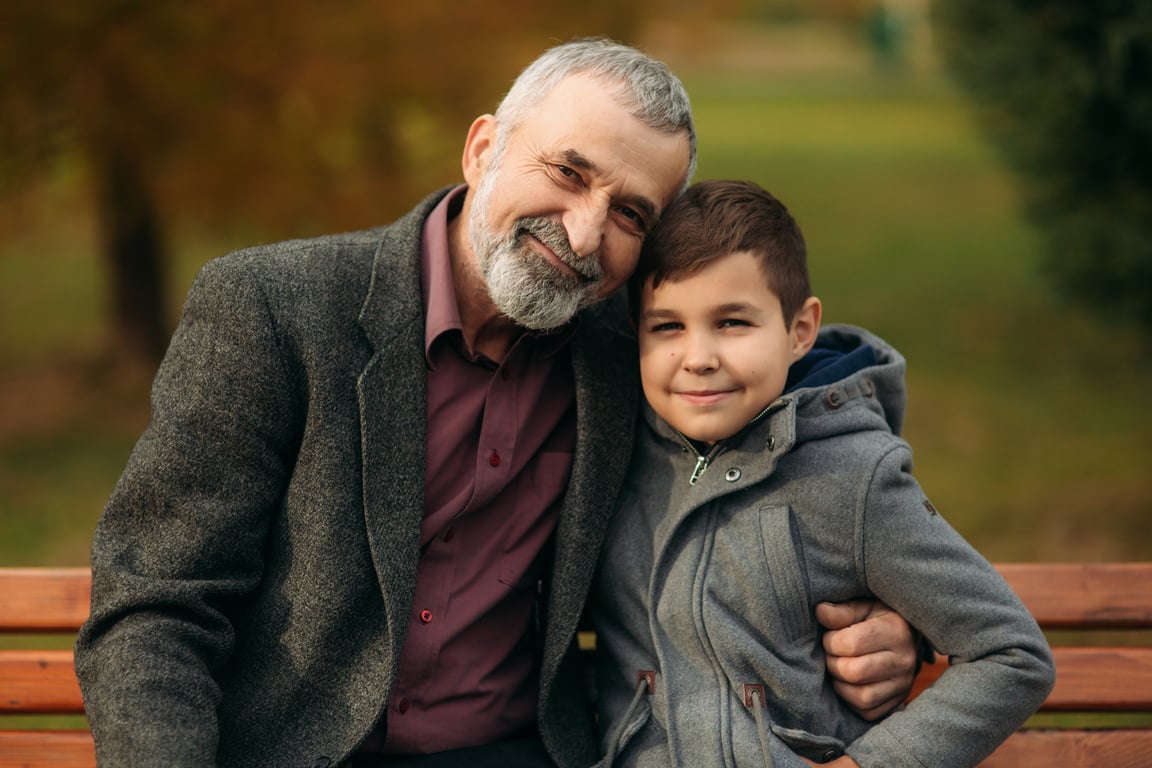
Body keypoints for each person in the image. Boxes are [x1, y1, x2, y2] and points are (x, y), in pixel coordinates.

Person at [74, 39, 921, 768]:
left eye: (629, 213)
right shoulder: (274, 309)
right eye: (568, 171)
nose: (584, 235)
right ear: (482, 150)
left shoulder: (638, 357)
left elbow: (802, 439)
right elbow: (156, 605)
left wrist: (889, 623)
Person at [591, 179, 1056, 768]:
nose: (699, 356)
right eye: (667, 327)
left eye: (732, 322)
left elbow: (1011, 653)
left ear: (799, 331)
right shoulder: (614, 455)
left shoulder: (853, 476)